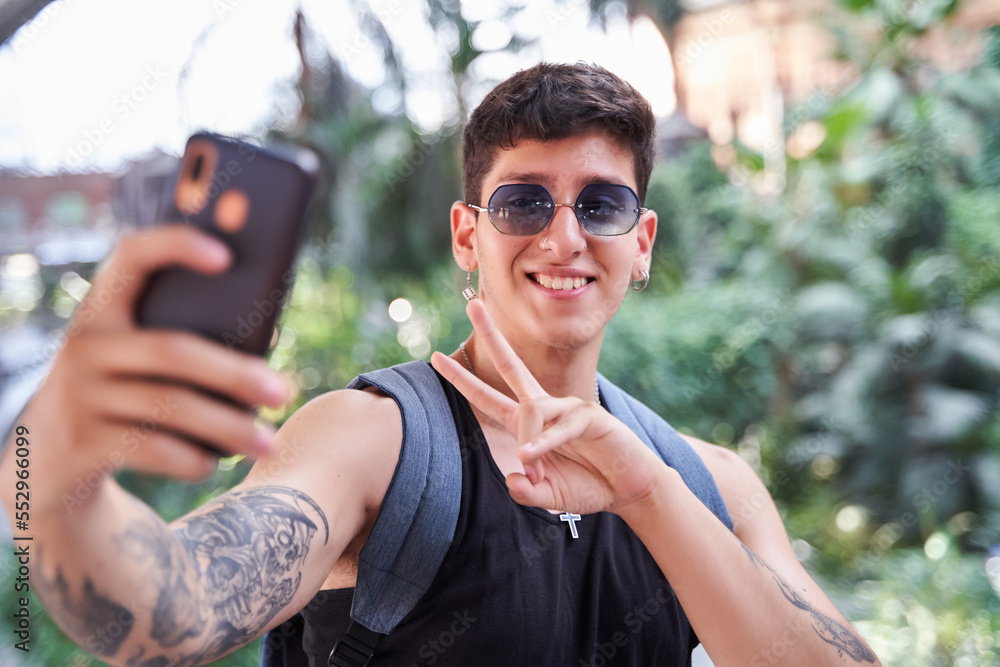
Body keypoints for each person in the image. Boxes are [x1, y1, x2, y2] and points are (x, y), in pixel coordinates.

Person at [0, 62, 881, 666]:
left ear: (641, 242)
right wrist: (51, 468)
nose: (564, 235)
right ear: (468, 234)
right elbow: (165, 611)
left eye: (601, 204)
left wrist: (648, 493)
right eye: (524, 201)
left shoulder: (707, 481)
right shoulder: (375, 440)